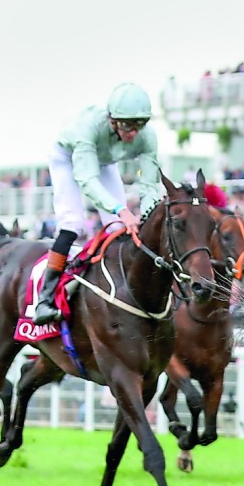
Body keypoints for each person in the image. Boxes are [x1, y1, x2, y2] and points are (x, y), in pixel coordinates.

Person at [33, 82, 165, 325]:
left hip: (105, 162)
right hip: (67, 158)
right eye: (127, 125)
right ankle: (46, 298)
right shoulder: (88, 128)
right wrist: (121, 209)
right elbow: (87, 179)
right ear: (112, 120)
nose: (134, 133)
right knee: (73, 224)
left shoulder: (147, 137)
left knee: (118, 229)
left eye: (140, 124)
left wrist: (144, 218)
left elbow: (149, 186)